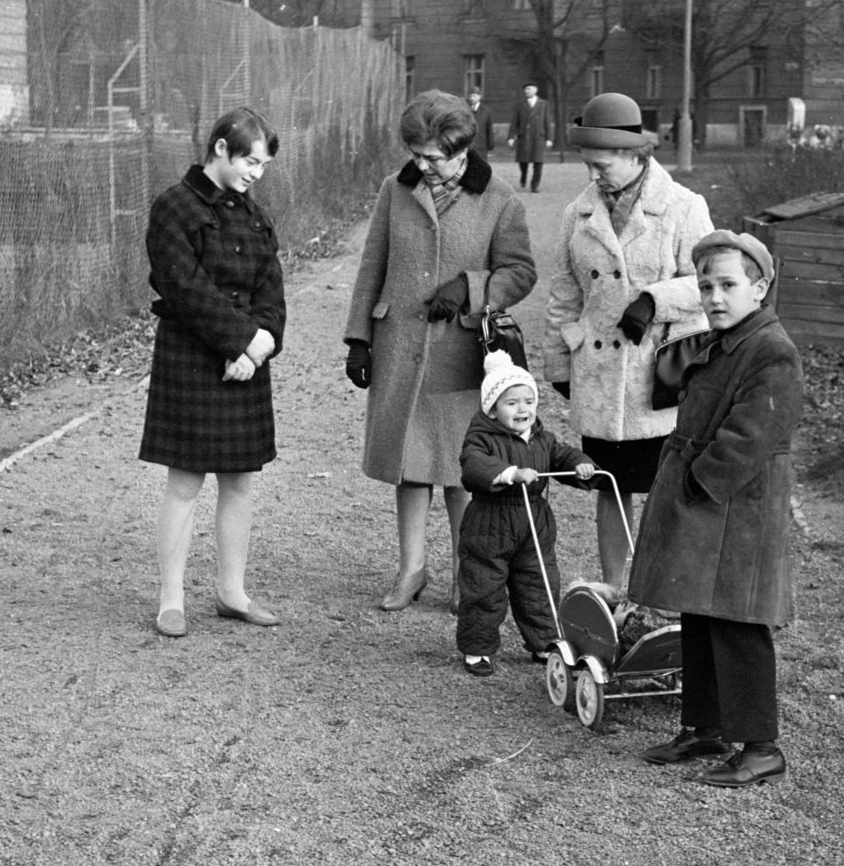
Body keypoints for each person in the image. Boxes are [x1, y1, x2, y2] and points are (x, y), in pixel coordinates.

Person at [343, 90, 536, 613]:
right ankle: (411, 571)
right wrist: (359, 338)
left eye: (433, 157)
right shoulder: (395, 189)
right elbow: (372, 266)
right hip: (398, 346)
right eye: (416, 154)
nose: (423, 165)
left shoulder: (499, 199)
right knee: (407, 465)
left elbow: (521, 272)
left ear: (462, 150)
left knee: (459, 470)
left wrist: (471, 287)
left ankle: (463, 573)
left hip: (461, 354)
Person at [627, 231, 803, 788]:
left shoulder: (771, 349)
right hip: (712, 506)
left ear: (760, 287)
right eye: (706, 287)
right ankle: (705, 727)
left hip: (737, 507)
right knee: (699, 613)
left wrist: (698, 480)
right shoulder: (727, 341)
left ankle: (761, 747)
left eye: (728, 285)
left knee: (738, 621)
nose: (715, 297)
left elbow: (752, 434)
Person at [542, 91, 712, 586]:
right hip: (598, 375)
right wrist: (559, 365)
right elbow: (564, 295)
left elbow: (711, 284)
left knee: (664, 490)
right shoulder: (577, 214)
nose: (593, 175)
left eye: (602, 165)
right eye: (588, 165)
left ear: (636, 155)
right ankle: (614, 589)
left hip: (658, 380)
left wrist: (653, 300)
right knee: (610, 488)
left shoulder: (683, 207)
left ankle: (660, 590)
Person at [140, 107, 286, 638]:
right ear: (221, 148)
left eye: (263, 165)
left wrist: (259, 347)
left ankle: (232, 593)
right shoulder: (174, 207)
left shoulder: (256, 215)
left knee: (240, 479)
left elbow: (271, 289)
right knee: (185, 481)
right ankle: (171, 600)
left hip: (244, 363)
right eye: (250, 162)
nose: (256, 174)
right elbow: (182, 286)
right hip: (191, 355)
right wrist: (242, 339)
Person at [456, 351, 597, 676]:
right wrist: (510, 473)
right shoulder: (480, 438)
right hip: (489, 524)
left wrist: (580, 464)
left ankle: (545, 641)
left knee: (539, 583)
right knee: (483, 586)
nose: (523, 409)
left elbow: (562, 455)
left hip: (534, 524)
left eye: (529, 401)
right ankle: (478, 648)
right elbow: (474, 465)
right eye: (512, 403)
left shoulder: (542, 438)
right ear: (492, 409)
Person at [507, 83, 553, 192]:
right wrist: (511, 137)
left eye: (529, 89)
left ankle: (534, 185)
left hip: (538, 137)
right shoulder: (520, 104)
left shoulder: (543, 104)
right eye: (525, 89)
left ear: (535, 90)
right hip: (524, 136)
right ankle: (523, 175)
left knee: (538, 161)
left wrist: (549, 138)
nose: (526, 91)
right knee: (523, 161)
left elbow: (547, 121)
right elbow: (514, 122)